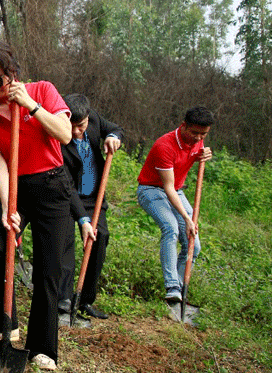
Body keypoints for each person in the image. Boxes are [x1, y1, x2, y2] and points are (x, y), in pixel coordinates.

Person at [0, 40, 73, 371]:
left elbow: (65, 134)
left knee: (49, 266)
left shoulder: (42, 91)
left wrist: (30, 105)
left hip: (51, 186)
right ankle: (2, 325)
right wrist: (6, 205)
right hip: (14, 186)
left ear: (11, 74)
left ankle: (43, 346)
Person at [136, 106, 214, 303]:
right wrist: (188, 219)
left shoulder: (198, 141)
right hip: (152, 190)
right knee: (171, 228)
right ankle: (171, 286)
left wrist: (202, 155)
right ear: (183, 126)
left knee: (193, 245)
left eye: (203, 134)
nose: (198, 138)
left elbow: (190, 156)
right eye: (195, 132)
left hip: (177, 191)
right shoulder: (165, 145)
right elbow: (168, 188)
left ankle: (179, 290)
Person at [58, 94, 124, 320]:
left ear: (88, 118)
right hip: (68, 198)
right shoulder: (59, 140)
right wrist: (82, 219)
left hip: (94, 197)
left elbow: (115, 128)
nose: (76, 131)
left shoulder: (94, 119)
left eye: (81, 125)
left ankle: (84, 300)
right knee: (65, 244)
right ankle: (64, 300)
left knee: (99, 240)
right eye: (71, 126)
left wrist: (113, 137)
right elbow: (66, 184)